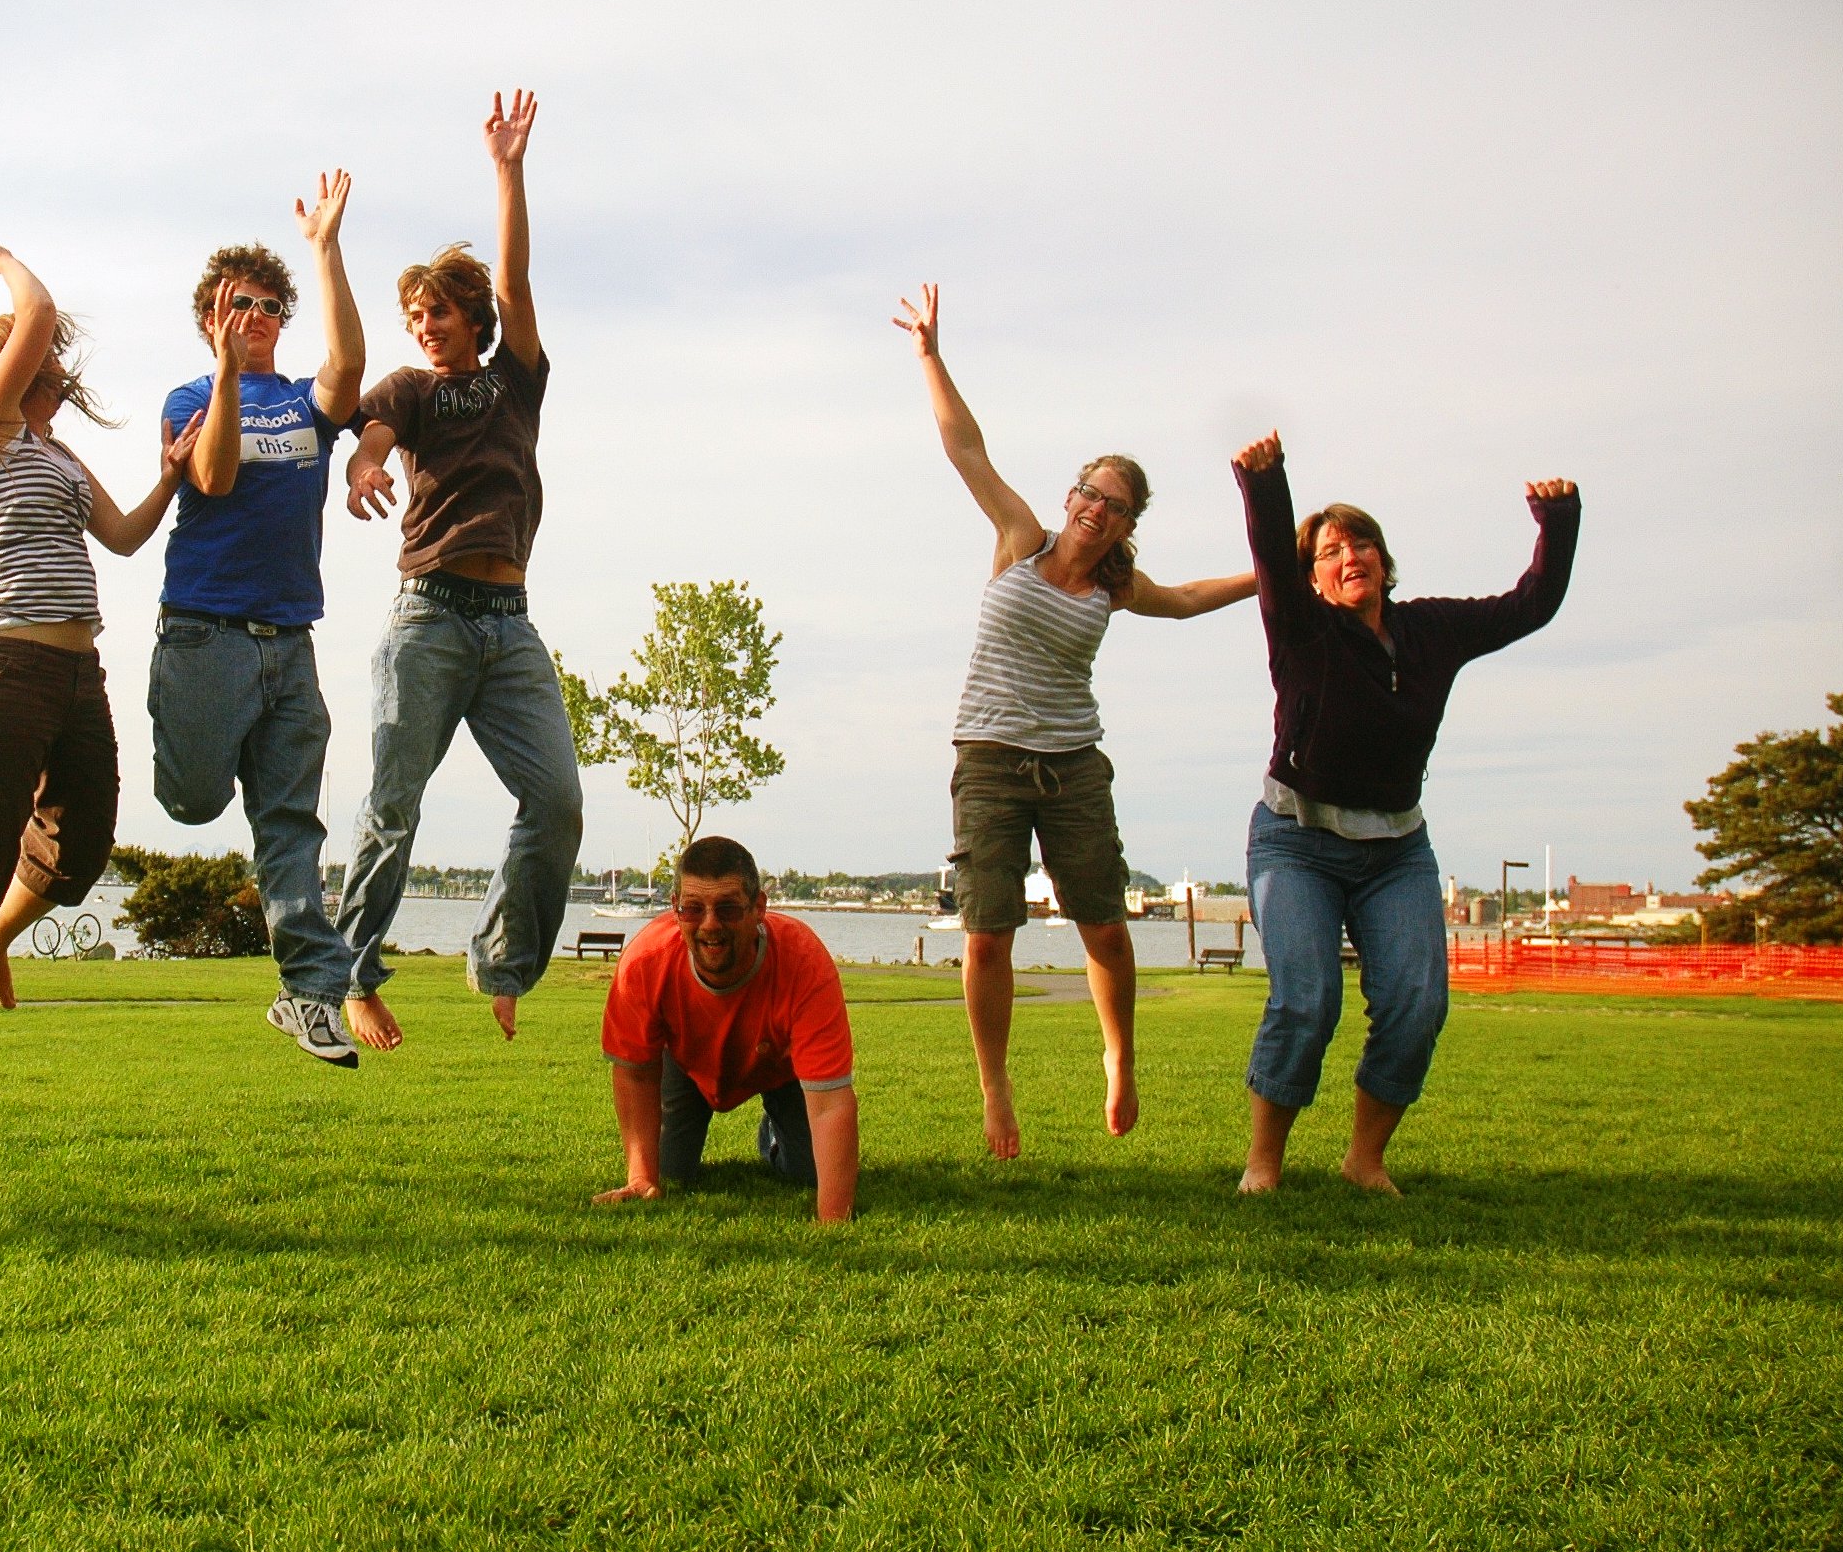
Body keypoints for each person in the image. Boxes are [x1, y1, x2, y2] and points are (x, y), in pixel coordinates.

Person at [894, 284, 1256, 1160]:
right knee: (987, 935)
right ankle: (996, 1089)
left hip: (1072, 764)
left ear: (1130, 521)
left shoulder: (1115, 588)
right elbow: (965, 449)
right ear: (1072, 496)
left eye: (1116, 503)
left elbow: (1187, 600)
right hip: (987, 758)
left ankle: (1119, 1054)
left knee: (1104, 926)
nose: (1097, 509)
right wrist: (932, 356)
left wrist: (1267, 576)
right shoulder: (1020, 538)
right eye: (1090, 493)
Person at [0, 225, 202, 1108]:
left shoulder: (58, 455)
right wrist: (1, 265)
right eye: (48, 368)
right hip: (1, 667)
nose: (60, 378)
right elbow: (38, 309)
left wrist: (172, 475)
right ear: (12, 374)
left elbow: (127, 537)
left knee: (83, 843)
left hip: (75, 675)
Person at [1230, 431, 1579, 1195]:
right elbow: (1269, 557)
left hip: (1397, 849)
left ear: (1384, 562)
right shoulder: (1300, 627)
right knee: (1307, 998)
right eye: (1330, 552)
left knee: (1418, 1003)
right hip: (1297, 841)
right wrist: (1264, 481)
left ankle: (1364, 1157)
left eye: (1362, 546)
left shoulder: (1430, 631)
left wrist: (1557, 522)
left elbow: (1533, 604)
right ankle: (1264, 1162)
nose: (1349, 558)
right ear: (1311, 578)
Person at [334, 90, 579, 1049]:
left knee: (556, 800)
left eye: (436, 310)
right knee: (395, 803)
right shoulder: (409, 388)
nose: (423, 322)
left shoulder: (515, 376)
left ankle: (504, 962)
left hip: (510, 624)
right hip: (430, 617)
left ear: (468, 316)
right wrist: (362, 463)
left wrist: (508, 172)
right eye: (413, 313)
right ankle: (353, 975)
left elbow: (517, 286)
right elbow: (380, 430)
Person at [152, 174, 369, 1068]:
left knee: (290, 824)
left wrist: (325, 253)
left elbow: (349, 370)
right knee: (195, 802)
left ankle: (309, 994)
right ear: (212, 314)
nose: (258, 315)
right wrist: (226, 367)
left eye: (270, 305)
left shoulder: (308, 405)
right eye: (240, 304)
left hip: (293, 642)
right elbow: (213, 480)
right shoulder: (190, 400)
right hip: (205, 635)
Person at [593, 836, 860, 1223]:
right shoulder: (644, 962)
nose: (710, 925)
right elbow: (634, 1073)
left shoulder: (803, 960)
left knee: (810, 1173)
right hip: (684, 1066)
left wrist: (834, 1218)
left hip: (781, 1068)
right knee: (671, 1174)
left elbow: (832, 1101)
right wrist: (640, 1178)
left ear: (759, 908)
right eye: (693, 909)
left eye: (729, 909)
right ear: (674, 909)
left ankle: (773, 1132)